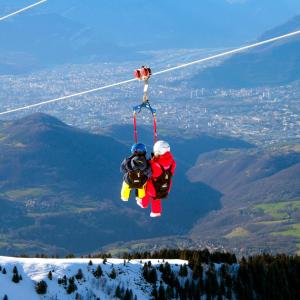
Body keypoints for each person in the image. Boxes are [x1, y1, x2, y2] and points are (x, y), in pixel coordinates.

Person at [138, 140, 176, 217]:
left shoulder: (154, 164)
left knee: (145, 187)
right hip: (166, 187)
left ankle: (143, 203)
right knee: (156, 197)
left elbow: (148, 168)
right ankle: (156, 211)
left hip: (153, 188)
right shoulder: (172, 162)